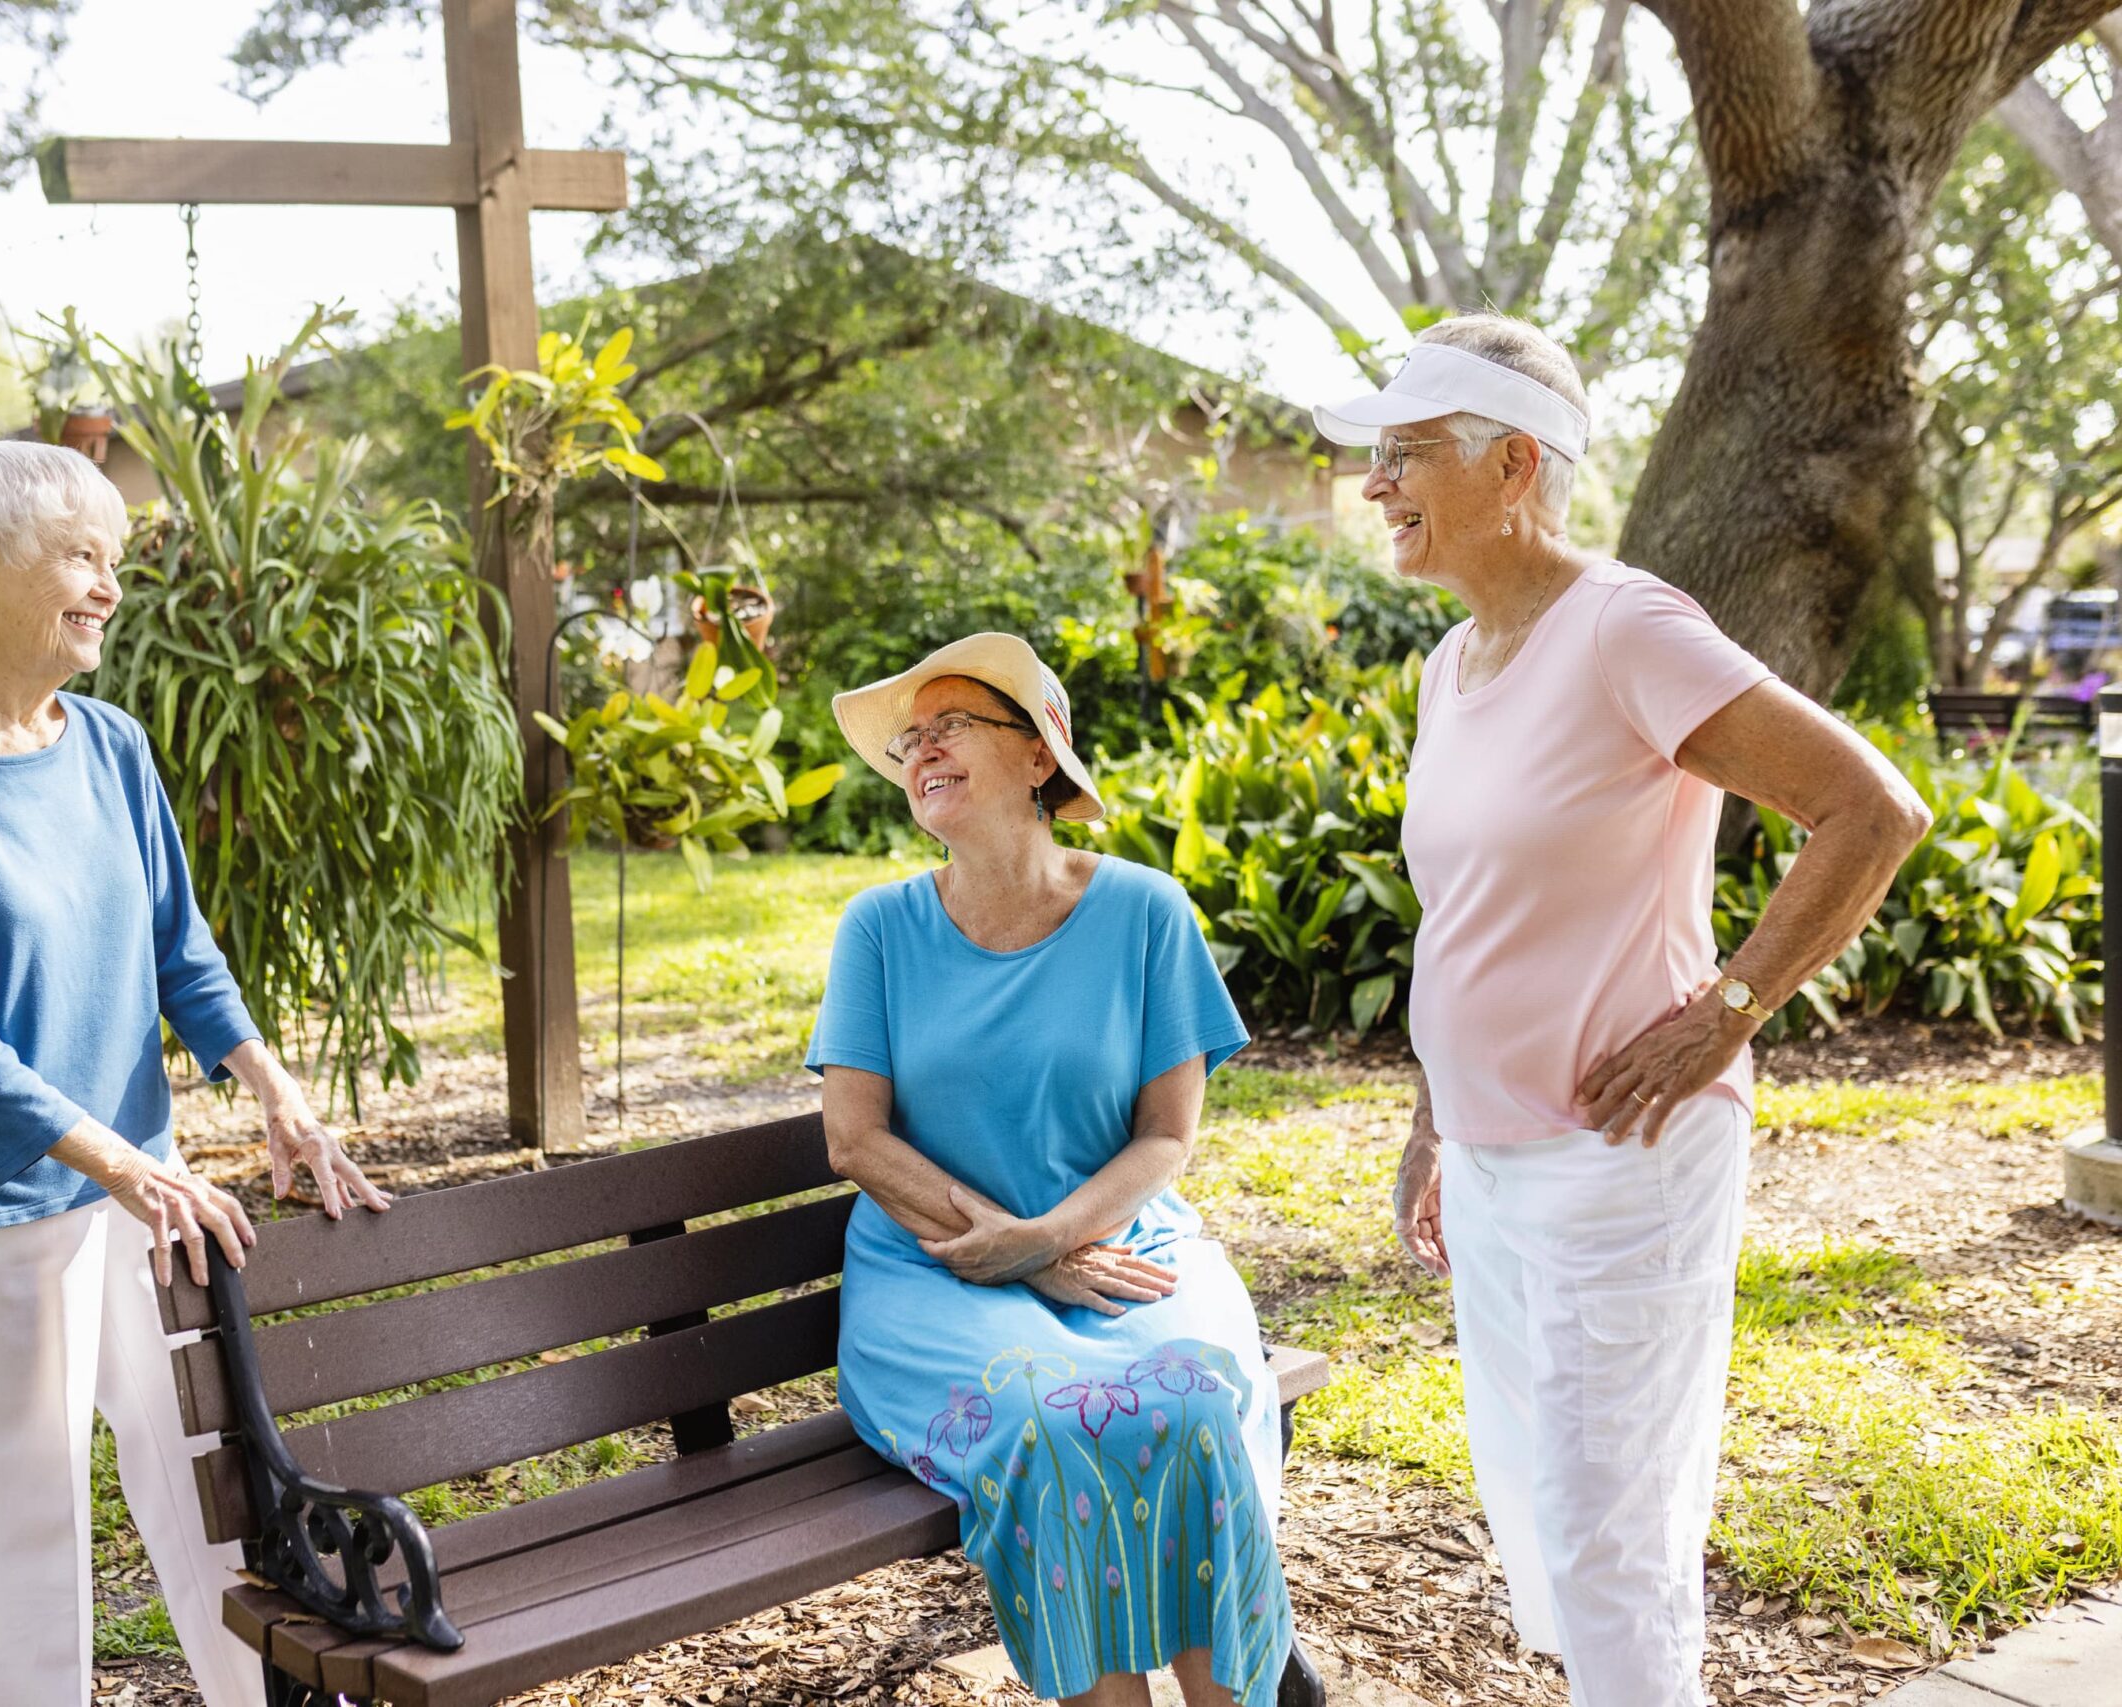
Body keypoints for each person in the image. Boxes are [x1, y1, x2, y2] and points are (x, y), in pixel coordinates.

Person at [1314, 316, 1932, 1707]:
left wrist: (1729, 1005)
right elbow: (1471, 914)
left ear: (1514, 461)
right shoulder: (1452, 664)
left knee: (1610, 1536)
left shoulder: (1624, 626)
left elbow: (1870, 807)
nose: (1377, 483)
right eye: (1380, 456)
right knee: (1548, 1521)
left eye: (1405, 453)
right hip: (1492, 1158)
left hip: (1620, 1159)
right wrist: (1435, 1119)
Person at [0, 441, 393, 1707]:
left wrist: (270, 1086)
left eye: (115, 562)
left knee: (216, 1503)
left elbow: (177, 950)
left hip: (143, 1192)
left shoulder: (108, 745)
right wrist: (127, 1166)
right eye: (82, 557)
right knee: (25, 1539)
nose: (107, 588)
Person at [809, 634, 1292, 1707]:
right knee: (1052, 1423)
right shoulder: (880, 928)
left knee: (1195, 1408)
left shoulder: (1144, 910)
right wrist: (1015, 1255)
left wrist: (1054, 1237)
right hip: (934, 1274)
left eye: (951, 726)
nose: (921, 750)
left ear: (1039, 757)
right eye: (909, 740)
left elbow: (1168, 1135)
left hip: (1127, 1249)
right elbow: (855, 1140)